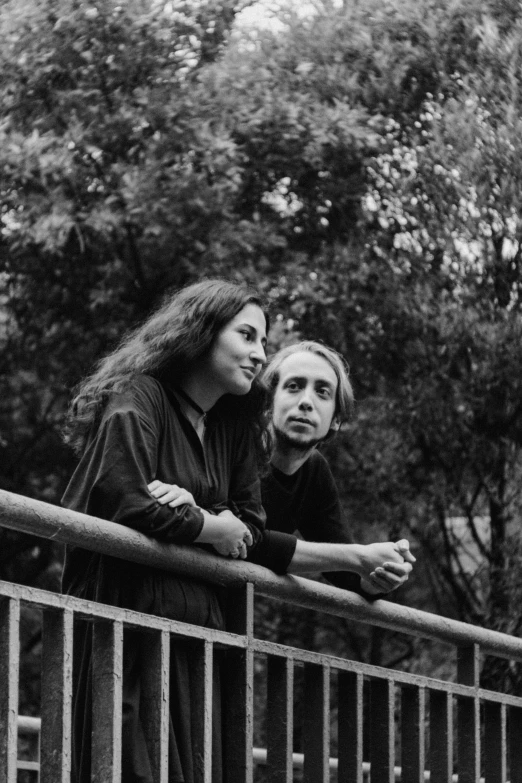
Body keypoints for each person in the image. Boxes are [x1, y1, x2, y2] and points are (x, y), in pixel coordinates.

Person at [61, 279, 278, 783]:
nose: (259, 354)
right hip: (129, 633)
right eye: (246, 336)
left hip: (200, 642)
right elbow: (125, 500)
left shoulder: (231, 428)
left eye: (263, 342)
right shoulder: (139, 397)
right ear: (202, 332)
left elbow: (250, 529)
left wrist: (203, 515)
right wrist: (208, 524)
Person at [149, 340, 415, 598]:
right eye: (294, 386)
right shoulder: (232, 442)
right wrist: (359, 557)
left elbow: (344, 570)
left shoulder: (313, 473)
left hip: (222, 621)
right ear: (268, 403)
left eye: (322, 392)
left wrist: (379, 574)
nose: (306, 402)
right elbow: (247, 540)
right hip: (161, 593)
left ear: (335, 420)